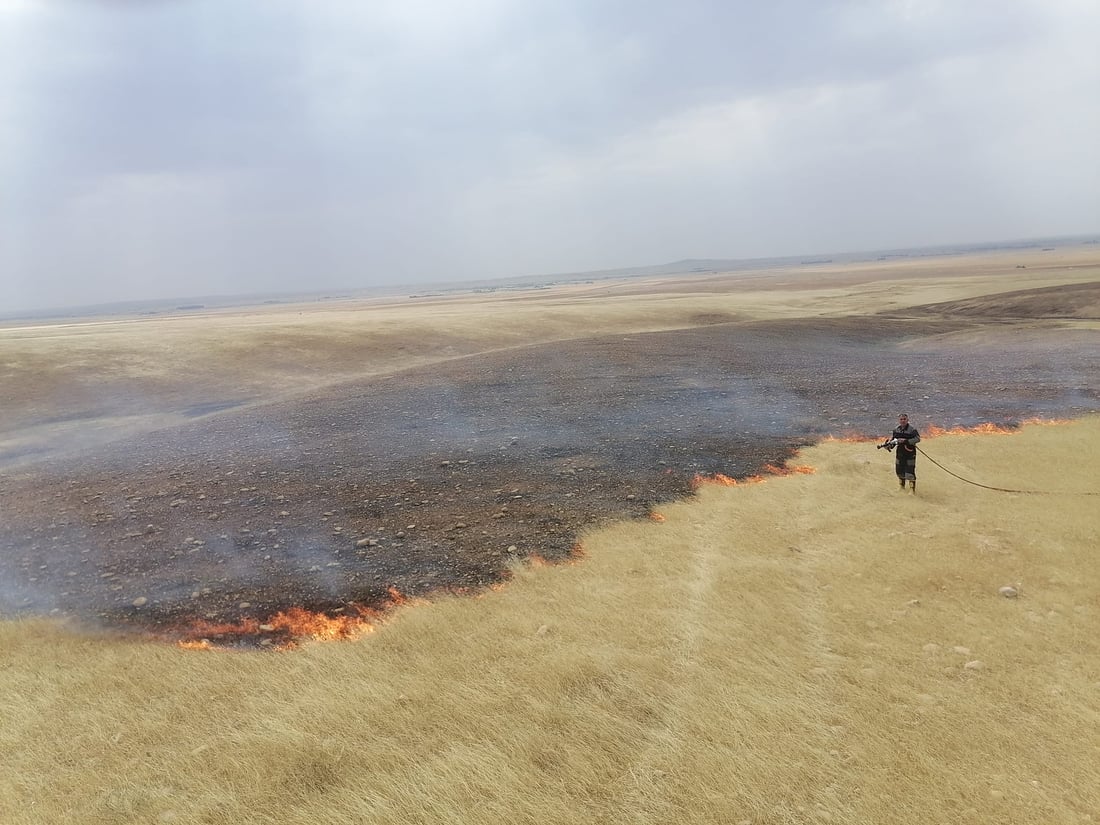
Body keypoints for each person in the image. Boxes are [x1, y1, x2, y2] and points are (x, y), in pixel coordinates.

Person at [886, 413, 921, 492]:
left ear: (907, 420)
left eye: (904, 419)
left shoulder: (912, 430)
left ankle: (912, 490)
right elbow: (894, 441)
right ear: (899, 420)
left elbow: (917, 439)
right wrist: (889, 446)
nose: (903, 421)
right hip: (900, 453)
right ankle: (902, 487)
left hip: (910, 453)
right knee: (899, 470)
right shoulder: (896, 430)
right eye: (901, 419)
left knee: (910, 471)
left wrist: (906, 441)